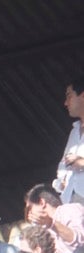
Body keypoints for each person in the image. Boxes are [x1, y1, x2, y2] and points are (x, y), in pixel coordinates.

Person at [24, 184, 84, 253]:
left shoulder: (69, 210)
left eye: (30, 208)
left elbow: (80, 243)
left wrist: (52, 223)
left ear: (41, 203)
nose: (29, 214)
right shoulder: (43, 229)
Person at [55, 77, 84, 205]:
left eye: (69, 96)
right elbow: (63, 164)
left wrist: (82, 162)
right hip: (70, 200)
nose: (65, 103)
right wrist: (60, 183)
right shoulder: (74, 132)